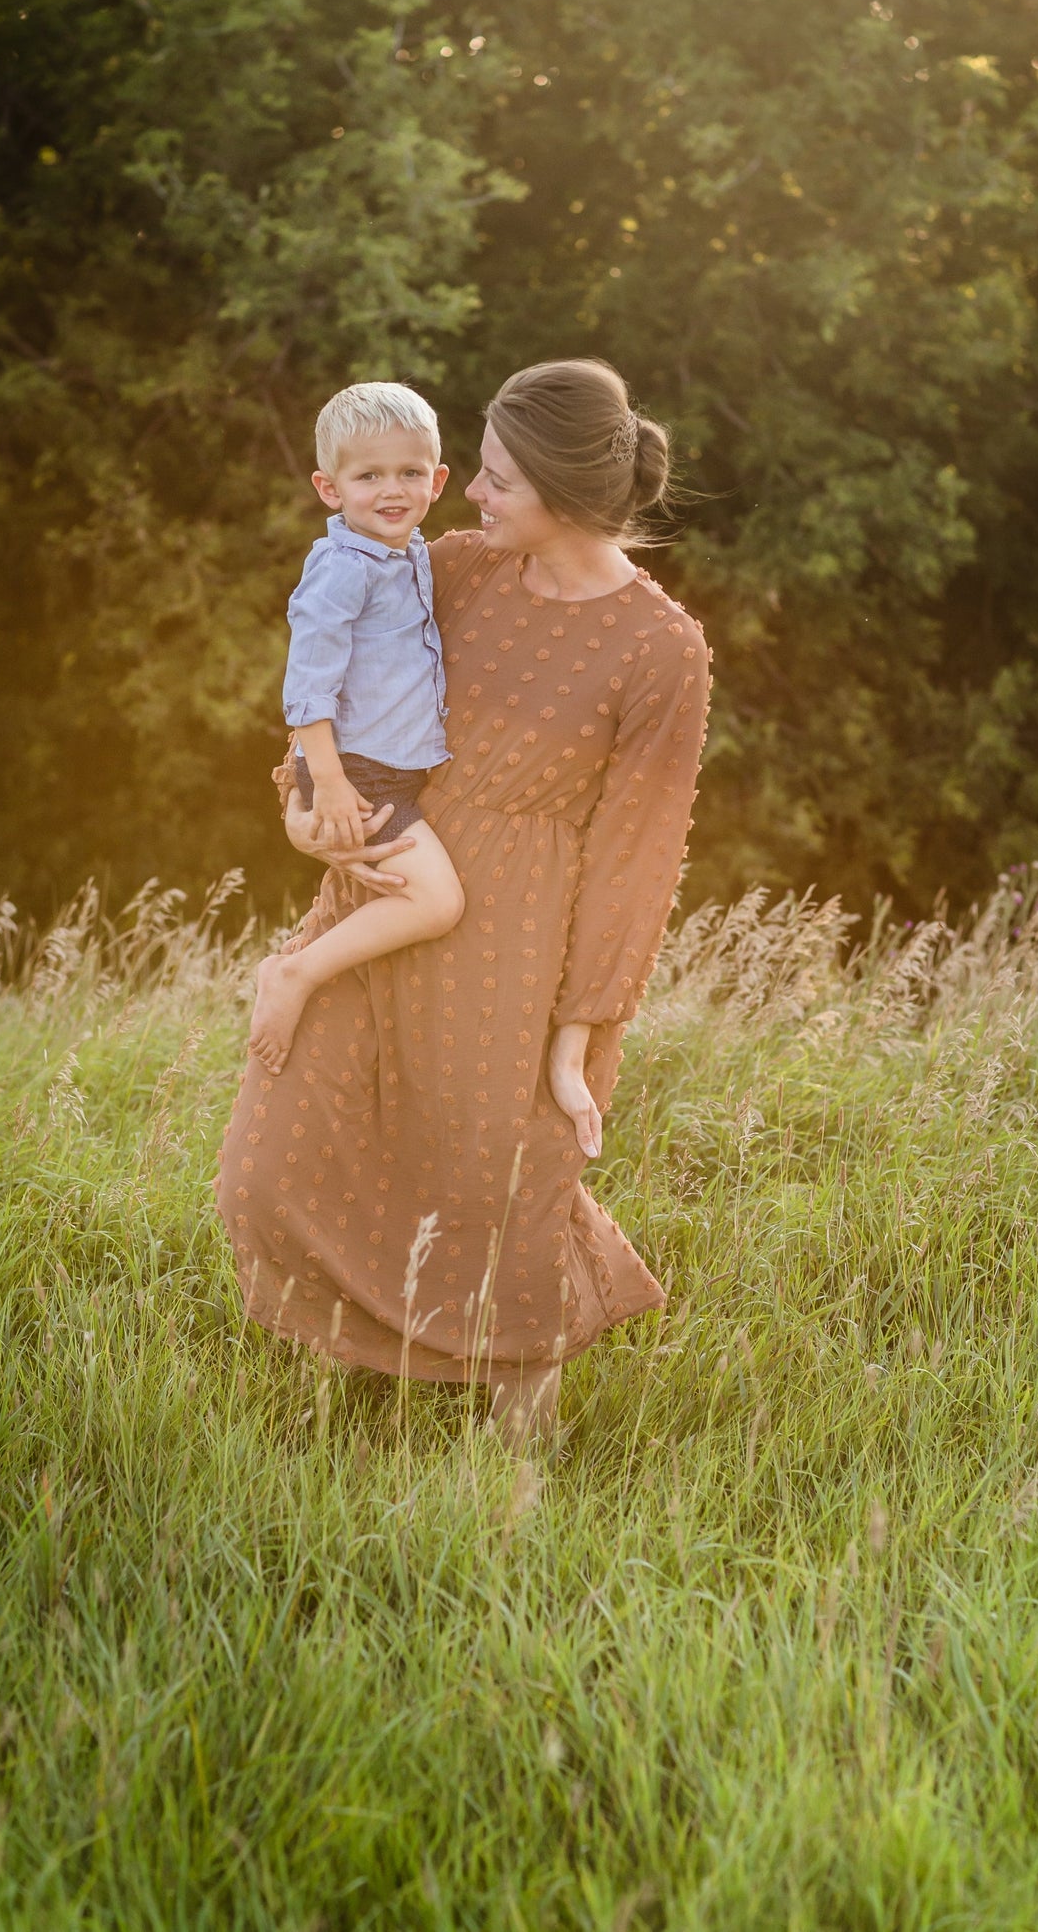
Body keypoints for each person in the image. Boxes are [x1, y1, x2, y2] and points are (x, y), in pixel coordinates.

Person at [215, 359, 711, 1446]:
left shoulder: (659, 649)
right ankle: (339, 1392)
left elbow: (638, 855)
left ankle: (516, 1466)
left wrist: (578, 1034)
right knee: (273, 1159)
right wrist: (305, 807)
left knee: (504, 1198)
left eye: (493, 481)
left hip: (520, 950)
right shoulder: (448, 568)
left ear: (567, 495)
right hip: (389, 887)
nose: (467, 496)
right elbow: (335, 688)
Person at [248, 382, 465, 1074]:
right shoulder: (343, 568)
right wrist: (331, 786)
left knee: (400, 894)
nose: (390, 489)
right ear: (329, 487)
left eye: (407, 472)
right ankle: (295, 973)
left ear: (436, 479)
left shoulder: (408, 552)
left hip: (381, 767)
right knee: (437, 902)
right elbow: (307, 687)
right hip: (354, 770)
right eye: (367, 475)